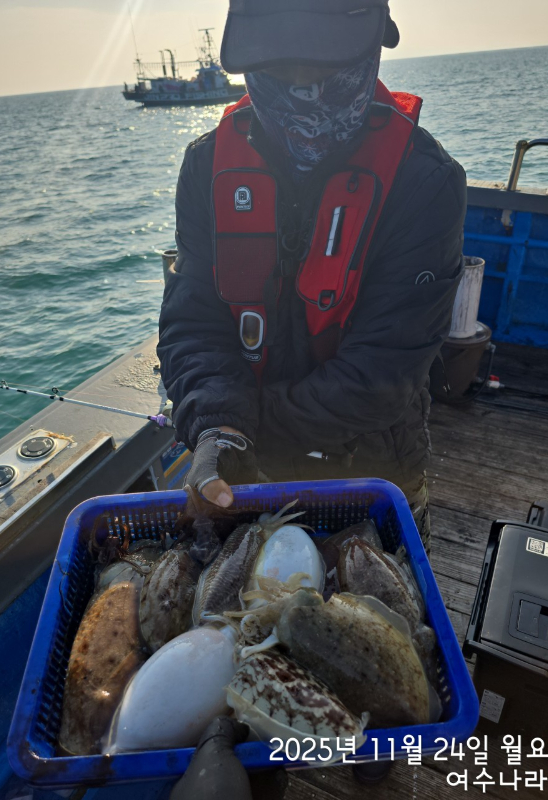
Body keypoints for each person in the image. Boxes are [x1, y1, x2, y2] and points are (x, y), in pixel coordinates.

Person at [158, 0, 467, 557]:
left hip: (373, 476)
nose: (304, 89)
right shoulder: (206, 167)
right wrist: (218, 428)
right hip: (242, 468)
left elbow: (384, 372)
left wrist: (245, 429)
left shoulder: (425, 184)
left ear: (373, 48)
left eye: (327, 69)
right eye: (278, 70)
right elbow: (193, 320)